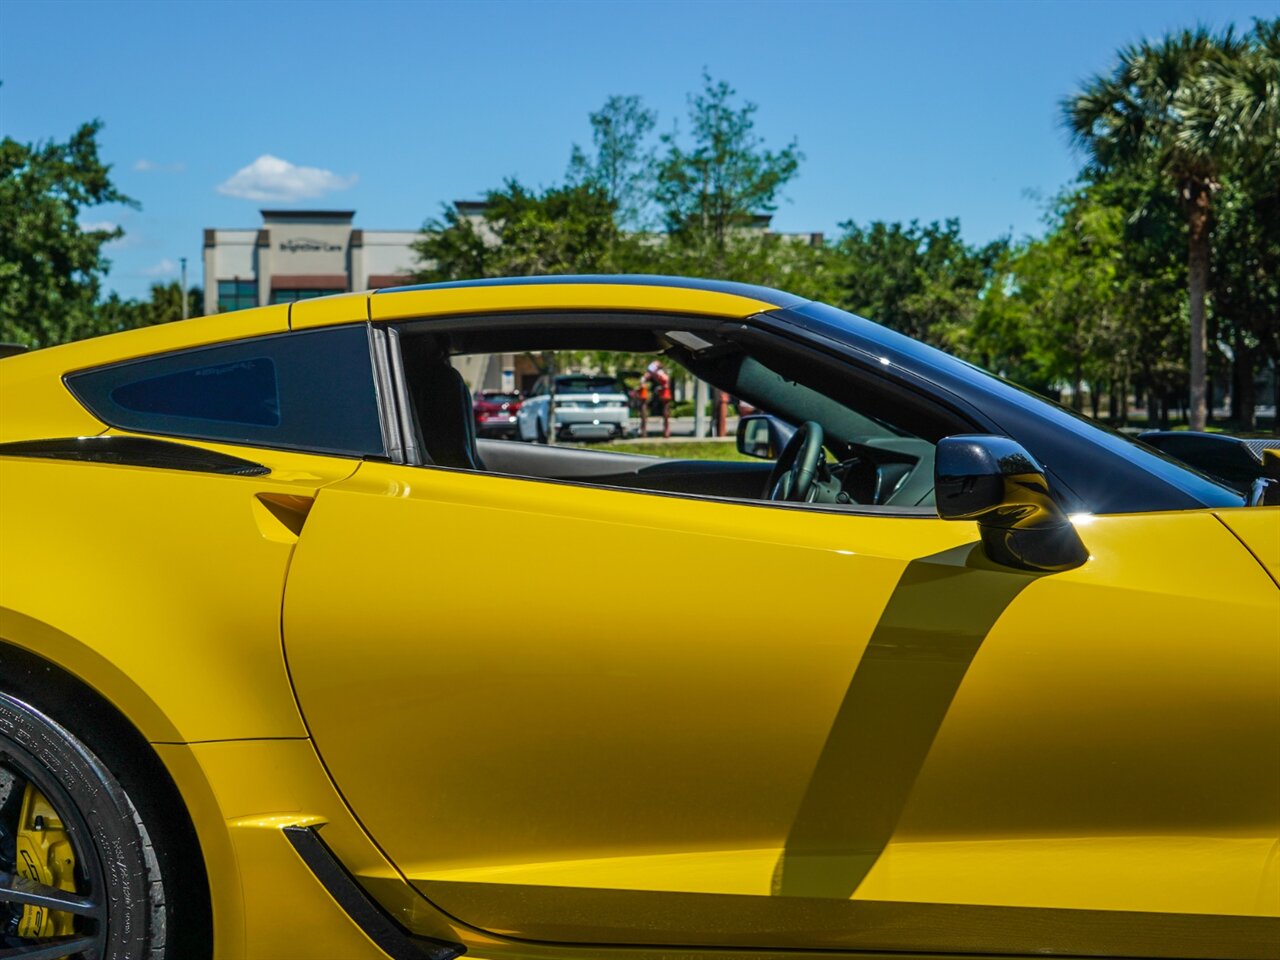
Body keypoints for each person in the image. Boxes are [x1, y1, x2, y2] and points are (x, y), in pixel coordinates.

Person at [643, 360, 673, 438]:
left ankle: (666, 431)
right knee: (664, 411)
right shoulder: (655, 374)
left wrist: (660, 388)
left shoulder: (661, 374)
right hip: (660, 393)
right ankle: (644, 431)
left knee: (665, 411)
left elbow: (666, 383)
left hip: (664, 393)